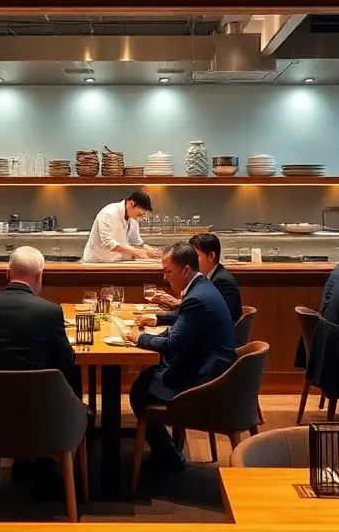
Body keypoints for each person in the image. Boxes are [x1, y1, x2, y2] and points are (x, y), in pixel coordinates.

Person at [125, 243, 237, 476]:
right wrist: (158, 322)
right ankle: (168, 452)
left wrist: (139, 338)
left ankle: (169, 457)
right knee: (146, 378)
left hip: (208, 378)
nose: (165, 278)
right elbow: (185, 320)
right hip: (213, 367)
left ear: (185, 270)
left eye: (168, 272)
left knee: (140, 392)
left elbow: (171, 344)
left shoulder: (197, 297)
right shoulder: (202, 286)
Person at [0, 246, 76, 378]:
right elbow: (65, 360)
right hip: (37, 390)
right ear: (39, 276)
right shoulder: (50, 311)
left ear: (8, 274)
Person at [150, 233, 242, 323]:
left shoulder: (223, 281)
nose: (190, 262)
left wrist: (179, 304)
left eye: (195, 257)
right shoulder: (200, 279)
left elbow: (225, 318)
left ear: (211, 256)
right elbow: (192, 314)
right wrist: (158, 318)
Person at [82, 190, 159, 263]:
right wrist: (138, 252)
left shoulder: (132, 217)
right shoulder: (108, 213)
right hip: (96, 261)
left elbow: (135, 241)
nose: (139, 217)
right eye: (139, 214)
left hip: (116, 261)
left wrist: (151, 251)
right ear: (132, 204)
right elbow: (109, 243)